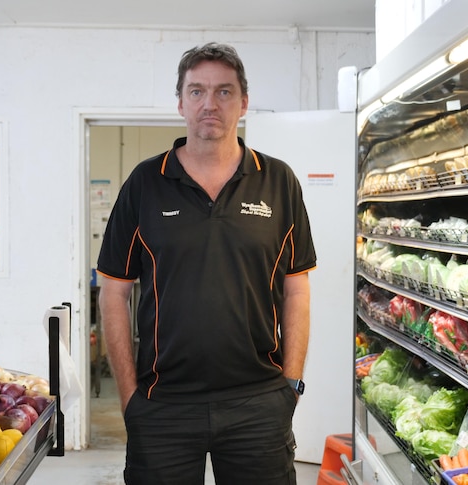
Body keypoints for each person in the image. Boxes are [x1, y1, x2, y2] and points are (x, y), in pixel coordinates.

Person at [96, 41, 316, 485]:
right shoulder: (145, 183)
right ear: (180, 103)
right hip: (163, 406)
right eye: (196, 91)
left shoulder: (278, 181)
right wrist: (129, 397)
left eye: (224, 91)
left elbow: (297, 288)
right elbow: (113, 292)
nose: (209, 104)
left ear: (244, 103)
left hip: (259, 403)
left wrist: (290, 386)